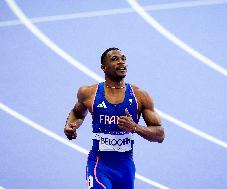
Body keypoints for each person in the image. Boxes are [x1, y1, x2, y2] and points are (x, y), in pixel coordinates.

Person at [64, 47, 165, 189]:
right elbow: (77, 113)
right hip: (99, 165)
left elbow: (160, 134)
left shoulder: (140, 96)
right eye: (114, 59)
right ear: (103, 68)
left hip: (125, 169)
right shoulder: (88, 93)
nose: (121, 62)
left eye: (123, 59)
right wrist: (71, 125)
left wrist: (135, 127)